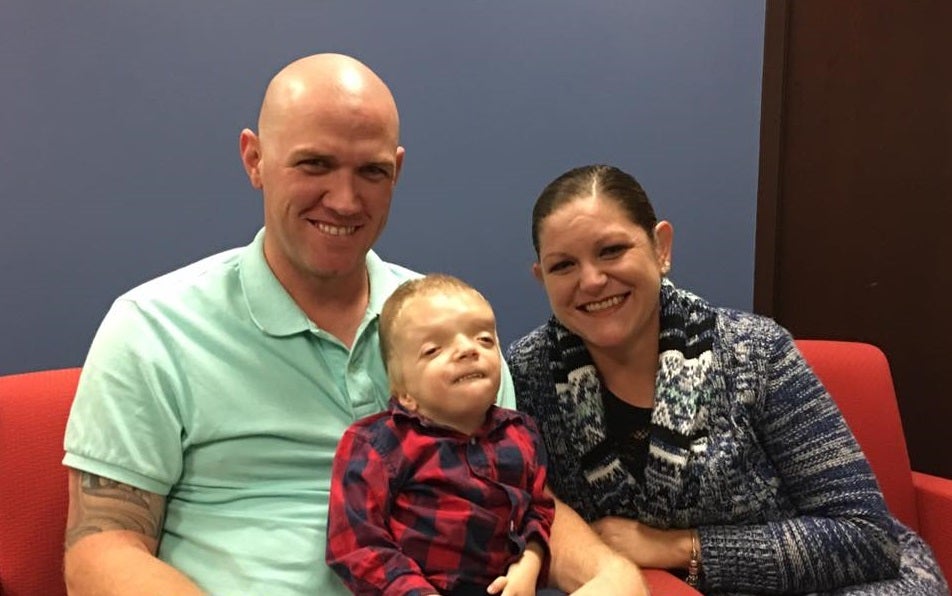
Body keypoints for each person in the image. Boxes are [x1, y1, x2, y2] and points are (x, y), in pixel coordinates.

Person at [61, 55, 646, 595]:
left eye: (370, 171)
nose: (344, 200)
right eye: (315, 164)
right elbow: (100, 546)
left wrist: (608, 571)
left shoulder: (448, 319)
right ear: (255, 159)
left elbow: (523, 493)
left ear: (397, 170)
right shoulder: (154, 327)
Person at [506, 164, 949, 595]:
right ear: (541, 277)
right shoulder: (527, 373)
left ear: (661, 248)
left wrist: (676, 546)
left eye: (612, 250)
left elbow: (867, 537)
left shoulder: (755, 351)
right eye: (563, 265)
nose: (592, 280)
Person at [326, 274, 554, 596]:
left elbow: (538, 511)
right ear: (404, 392)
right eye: (433, 349)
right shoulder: (376, 445)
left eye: (485, 340)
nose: (467, 350)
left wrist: (527, 567)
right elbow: (354, 543)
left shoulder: (522, 434)